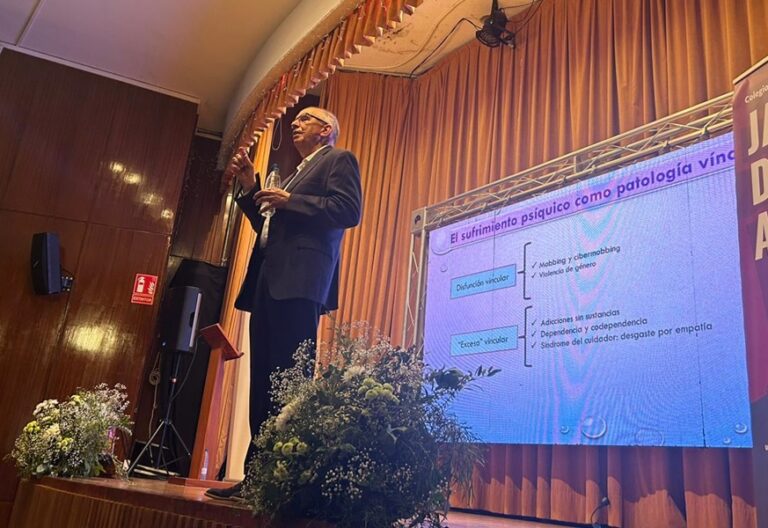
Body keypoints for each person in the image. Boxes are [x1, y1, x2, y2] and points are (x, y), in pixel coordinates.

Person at [205, 107, 362, 500]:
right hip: (268, 282)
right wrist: (250, 187)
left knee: (289, 381)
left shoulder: (338, 159)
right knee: (263, 380)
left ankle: (284, 478)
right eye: (296, 119)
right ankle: (257, 476)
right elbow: (269, 227)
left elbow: (348, 211)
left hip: (301, 283)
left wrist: (291, 199)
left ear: (326, 130)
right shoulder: (293, 175)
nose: (295, 123)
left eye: (306, 119)